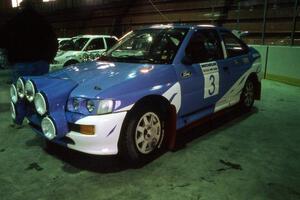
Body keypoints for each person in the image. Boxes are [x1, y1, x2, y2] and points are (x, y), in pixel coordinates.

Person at [0, 0, 58, 82]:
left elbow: (2, 41)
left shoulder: (13, 22)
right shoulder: (43, 21)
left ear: (20, 8)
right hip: (41, 62)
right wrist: (49, 58)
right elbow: (53, 41)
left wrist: (9, 57)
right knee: (40, 89)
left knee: (23, 91)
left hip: (20, 62)